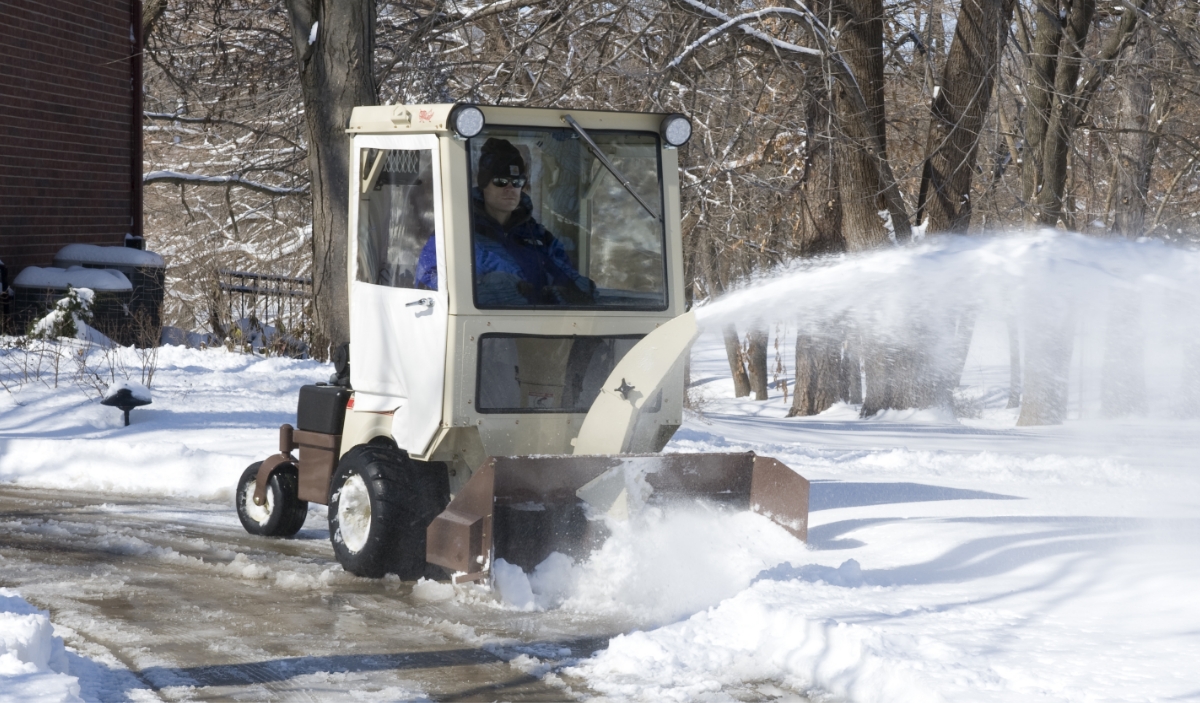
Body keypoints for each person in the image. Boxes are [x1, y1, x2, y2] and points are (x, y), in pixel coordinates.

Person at [415, 138, 595, 305]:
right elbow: (428, 280)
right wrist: (486, 289)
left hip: (534, 328)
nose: (510, 188)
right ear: (484, 184)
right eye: (501, 181)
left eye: (517, 181)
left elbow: (567, 276)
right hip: (480, 328)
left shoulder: (539, 237)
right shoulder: (456, 232)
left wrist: (579, 291)